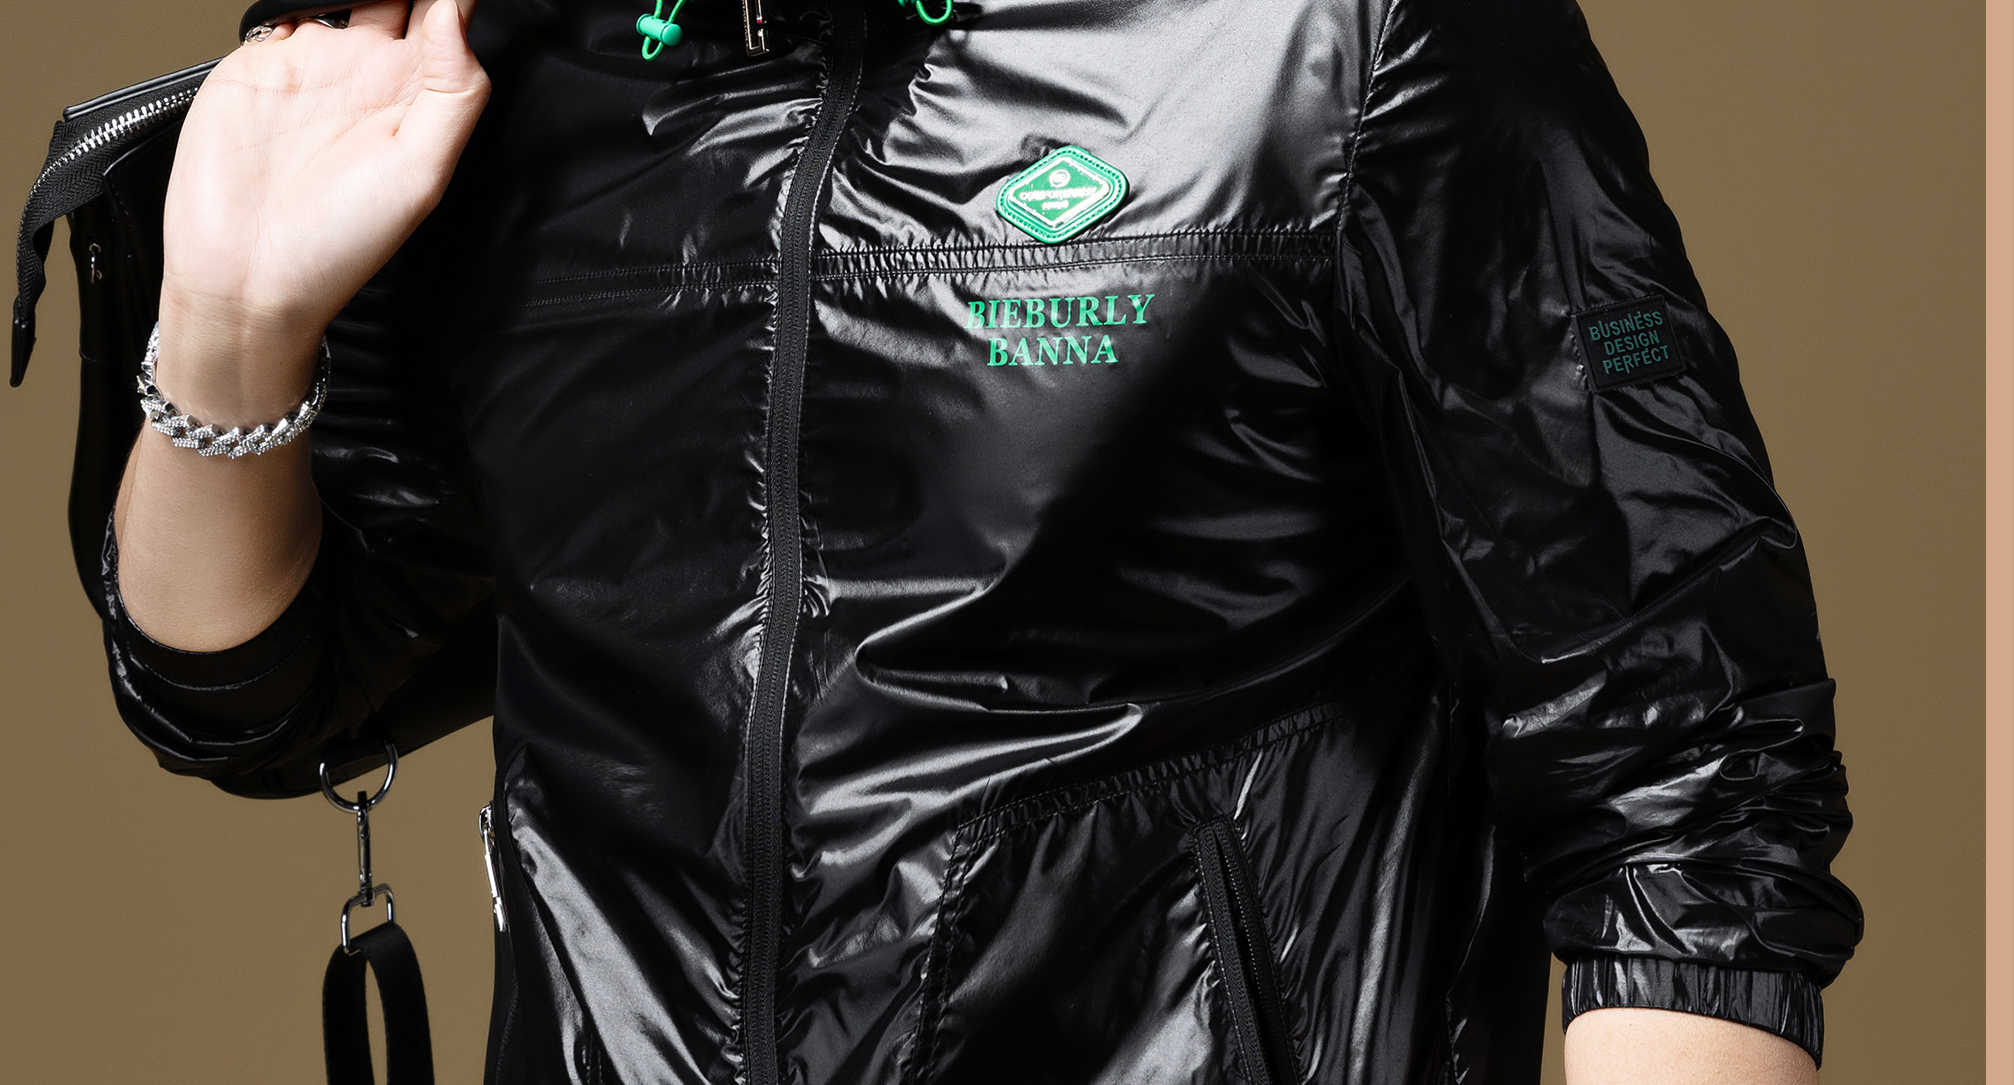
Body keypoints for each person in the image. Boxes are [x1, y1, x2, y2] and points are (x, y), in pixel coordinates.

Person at [96, 0, 1863, 1081]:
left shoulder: (1338, 34)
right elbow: (262, 686)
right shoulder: (497, 68)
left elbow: (1693, 784)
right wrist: (233, 328)